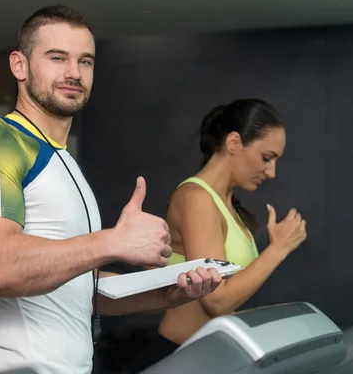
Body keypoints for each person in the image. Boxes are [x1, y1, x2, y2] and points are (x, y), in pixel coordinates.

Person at [0, 5, 223, 374]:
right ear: (19, 65)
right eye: (57, 58)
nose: (73, 73)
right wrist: (113, 242)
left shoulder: (63, 160)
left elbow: (79, 288)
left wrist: (169, 292)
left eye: (85, 61)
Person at [127, 99, 308, 373]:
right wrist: (278, 249)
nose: (271, 172)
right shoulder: (196, 198)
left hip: (212, 358)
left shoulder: (228, 205)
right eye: (267, 158)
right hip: (179, 358)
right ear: (234, 143)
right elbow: (216, 301)